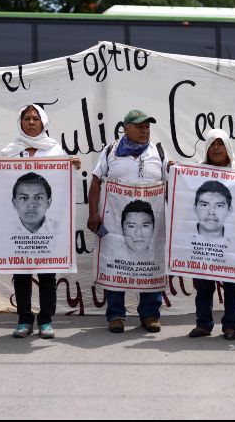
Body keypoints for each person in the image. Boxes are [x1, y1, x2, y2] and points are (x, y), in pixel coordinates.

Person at [0, 103, 80, 339]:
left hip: (48, 227)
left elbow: (63, 183)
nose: (31, 122)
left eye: (35, 118)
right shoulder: (10, 151)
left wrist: (71, 167)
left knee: (47, 274)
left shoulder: (55, 151)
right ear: (20, 123)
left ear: (43, 123)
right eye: (27, 119)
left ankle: (45, 320)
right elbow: (2, 184)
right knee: (21, 273)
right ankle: (24, 319)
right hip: (19, 227)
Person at [88, 109, 170, 335]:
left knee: (150, 265)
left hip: (149, 225)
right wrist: (93, 214)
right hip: (116, 224)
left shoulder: (159, 152)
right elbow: (95, 182)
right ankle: (115, 315)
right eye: (139, 126)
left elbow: (170, 185)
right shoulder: (110, 151)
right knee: (116, 264)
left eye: (147, 126)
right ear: (125, 127)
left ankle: (150, 314)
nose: (145, 131)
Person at [187, 129, 235, 341]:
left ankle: (230, 326)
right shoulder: (198, 171)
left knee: (232, 285)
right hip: (204, 243)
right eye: (212, 144)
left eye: (220, 144)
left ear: (227, 146)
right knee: (203, 285)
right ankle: (203, 324)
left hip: (231, 241)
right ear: (207, 148)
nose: (216, 148)